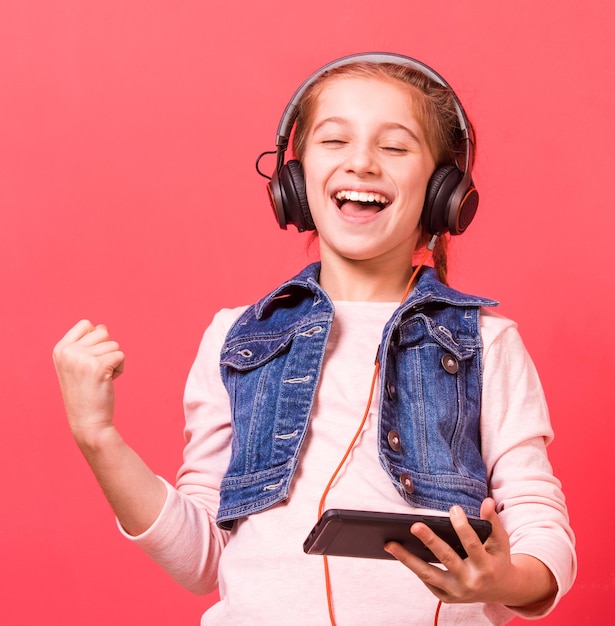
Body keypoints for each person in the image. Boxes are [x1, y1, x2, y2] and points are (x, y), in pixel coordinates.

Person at [53, 53, 576, 625]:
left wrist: (506, 579)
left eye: (395, 147)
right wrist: (97, 437)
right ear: (294, 184)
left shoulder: (485, 344)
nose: (362, 162)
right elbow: (202, 560)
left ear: (442, 193)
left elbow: (539, 523)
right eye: (334, 141)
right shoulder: (237, 338)